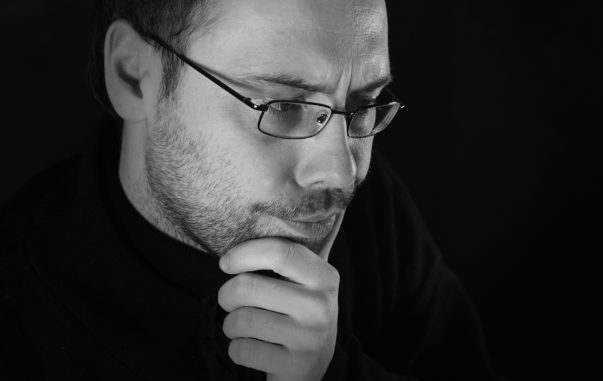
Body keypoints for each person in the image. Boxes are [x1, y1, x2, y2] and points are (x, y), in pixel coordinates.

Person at [0, 0, 501, 380]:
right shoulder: (22, 313)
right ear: (133, 76)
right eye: (282, 105)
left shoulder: (376, 216)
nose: (341, 173)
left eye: (364, 103)